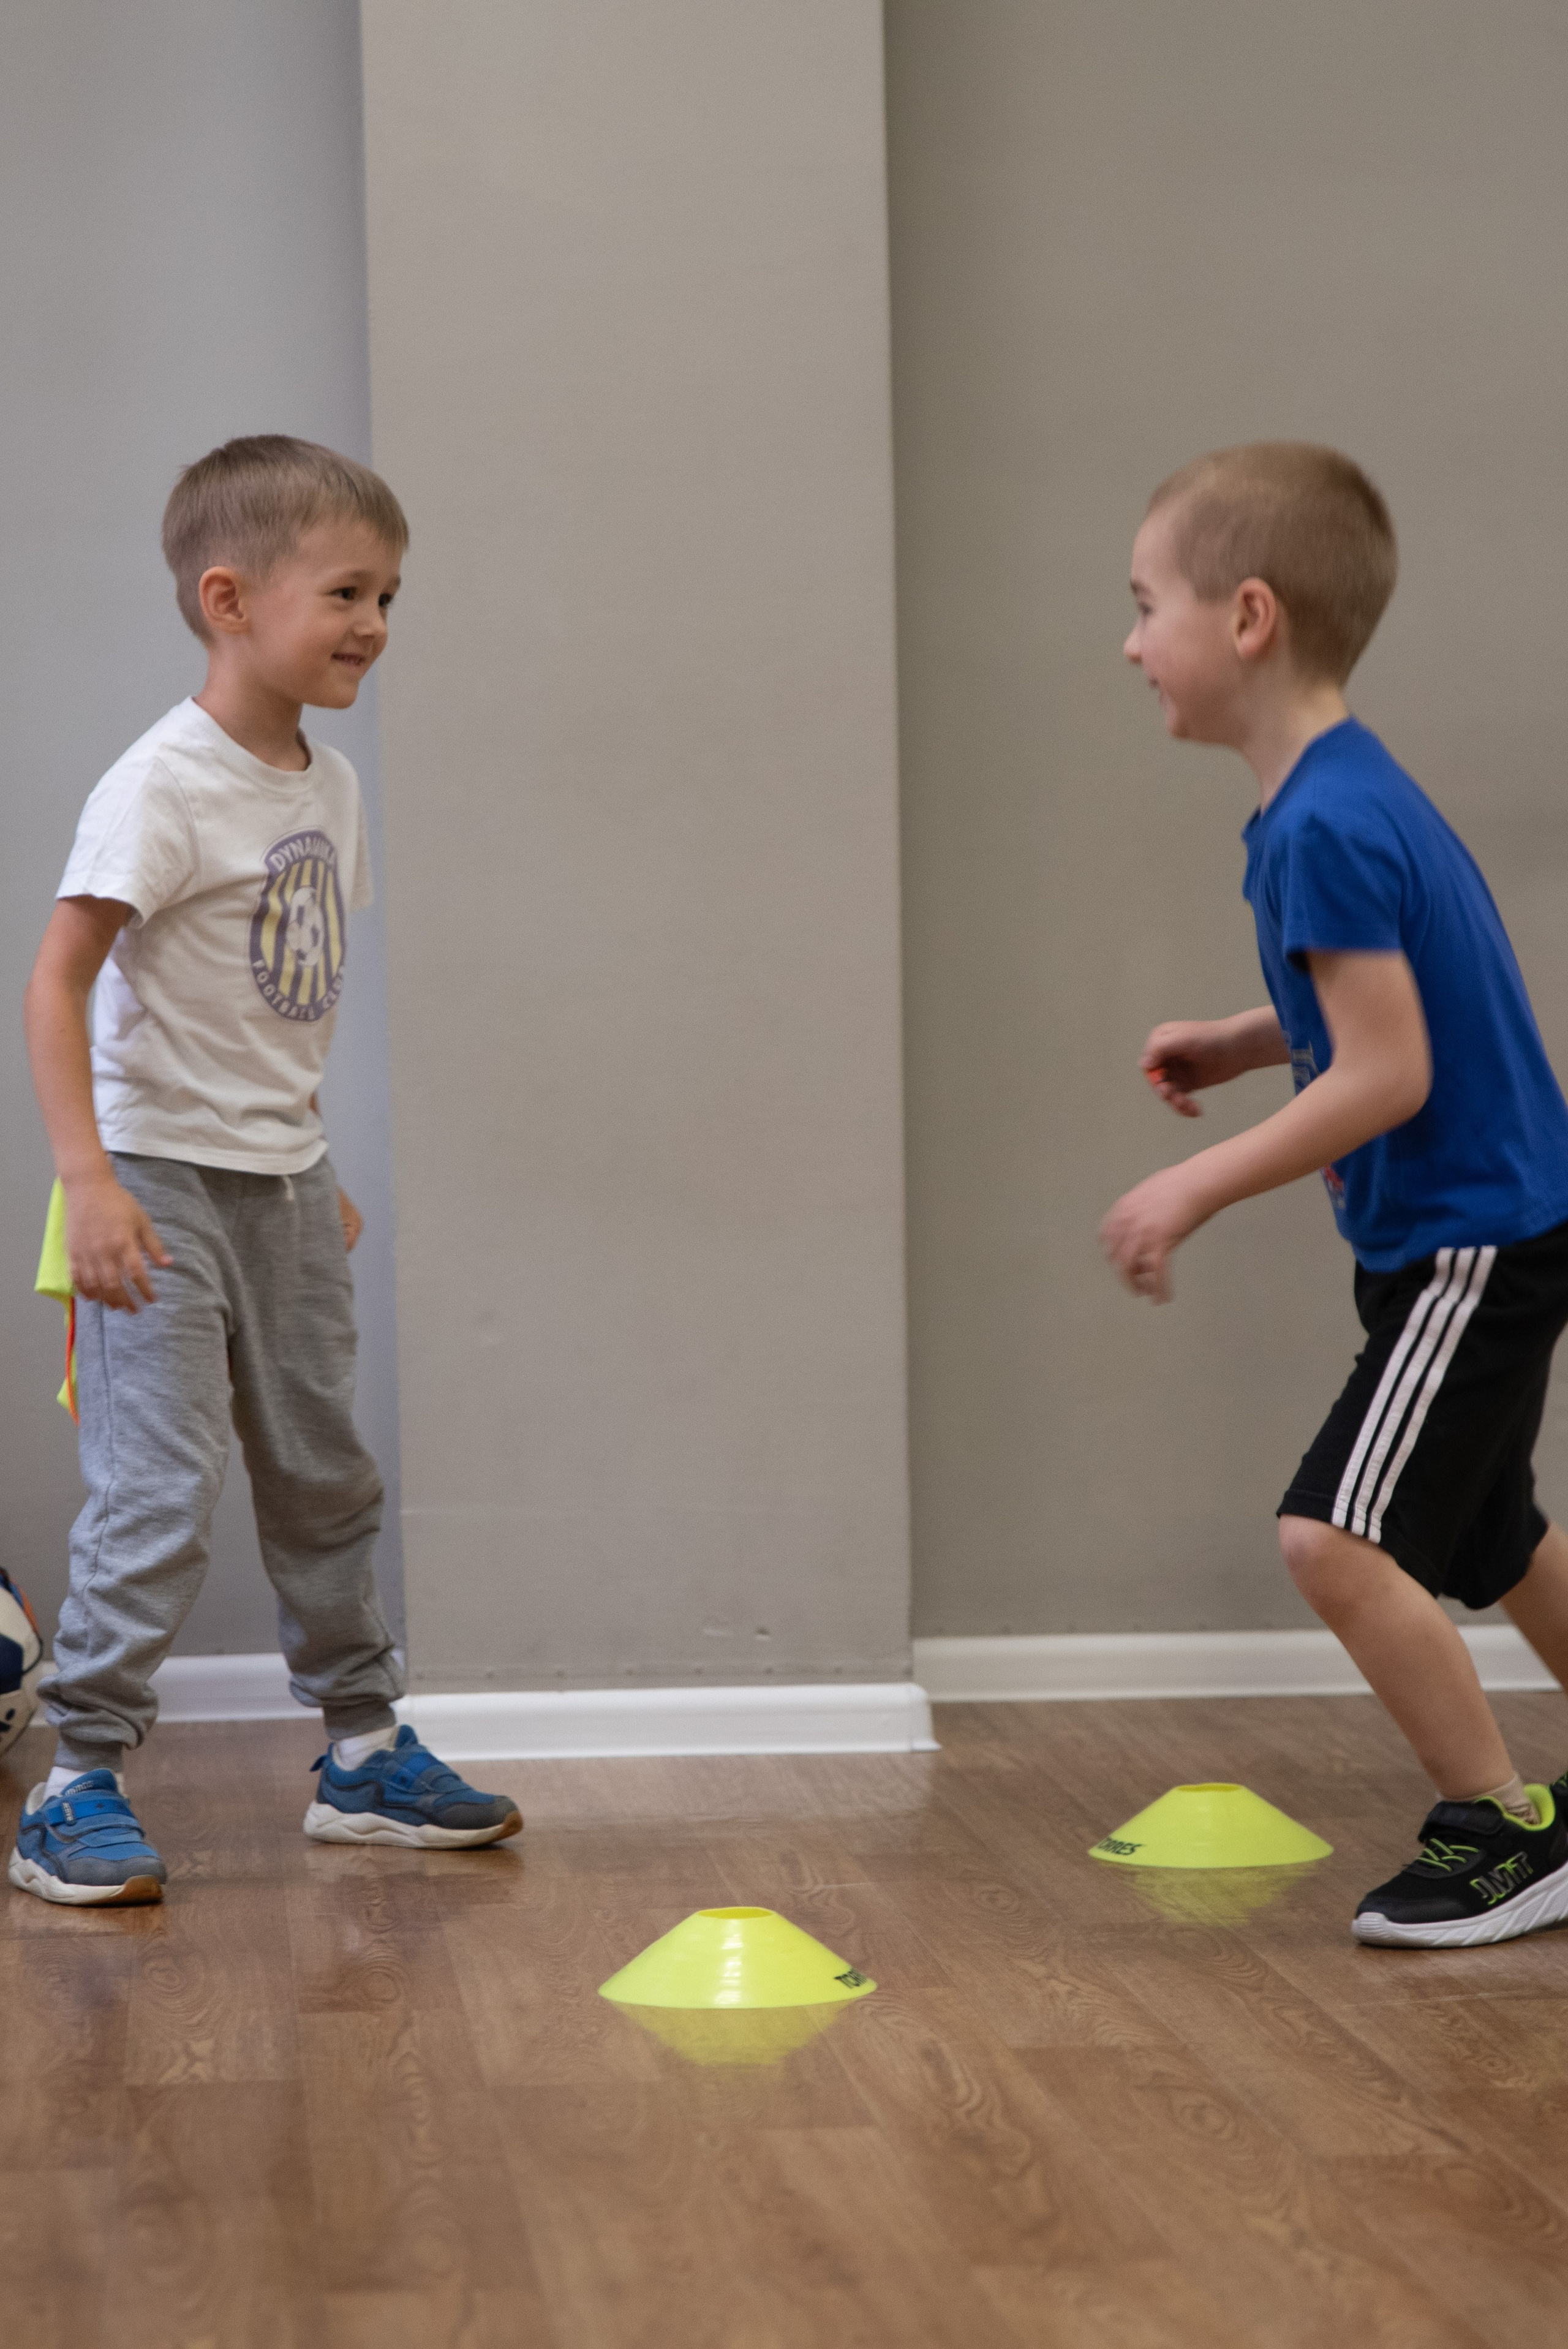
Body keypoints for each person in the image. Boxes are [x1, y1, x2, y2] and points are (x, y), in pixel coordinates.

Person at [12, 435, 521, 1907]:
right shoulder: (158, 786)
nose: (373, 622)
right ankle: (78, 1782)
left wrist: (310, 1161)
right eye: (347, 591)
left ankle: (363, 1753)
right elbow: (56, 988)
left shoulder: (330, 784)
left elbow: (270, 997)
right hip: (151, 1190)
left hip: (279, 1182)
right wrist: (86, 1179)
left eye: (389, 596)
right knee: (159, 1487)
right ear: (229, 599)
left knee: (320, 1474)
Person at [1103, 442, 1568, 1947]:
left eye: (1142, 603)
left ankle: (1502, 1828)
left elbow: (1384, 1075)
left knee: (1333, 1538)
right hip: (1493, 1218)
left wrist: (1192, 1184)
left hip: (1468, 1235)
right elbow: (1389, 1004)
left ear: (1245, 618)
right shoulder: (1342, 793)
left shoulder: (1318, 820)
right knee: (1489, 1531)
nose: (1127, 642)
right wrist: (1246, 1043)